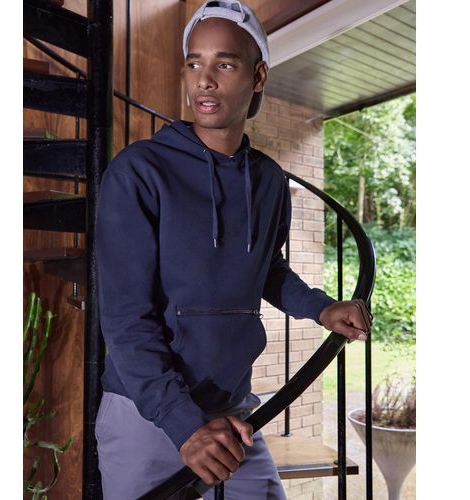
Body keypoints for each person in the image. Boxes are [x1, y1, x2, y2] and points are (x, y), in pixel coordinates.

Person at [94, 2, 373, 499]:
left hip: (232, 413)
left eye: (224, 63)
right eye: (194, 63)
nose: (204, 80)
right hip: (147, 414)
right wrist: (183, 425)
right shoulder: (139, 171)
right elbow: (124, 318)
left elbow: (266, 269)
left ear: (257, 75)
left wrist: (321, 307)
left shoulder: (268, 179)